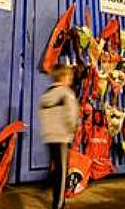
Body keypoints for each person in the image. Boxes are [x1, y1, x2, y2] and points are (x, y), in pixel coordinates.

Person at [39, 64, 79, 209]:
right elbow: (71, 116)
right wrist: (72, 130)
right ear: (63, 77)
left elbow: (42, 115)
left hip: (49, 136)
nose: (70, 80)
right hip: (62, 136)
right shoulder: (66, 93)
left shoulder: (46, 95)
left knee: (55, 168)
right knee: (62, 172)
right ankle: (59, 205)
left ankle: (48, 184)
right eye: (69, 77)